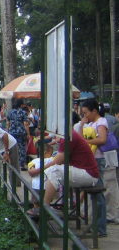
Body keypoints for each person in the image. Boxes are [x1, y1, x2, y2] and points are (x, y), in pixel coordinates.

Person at [27, 131, 105, 236]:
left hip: (89, 175)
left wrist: (41, 169)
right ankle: (43, 205)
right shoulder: (66, 136)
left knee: (54, 171)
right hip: (82, 171)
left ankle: (44, 208)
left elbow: (58, 160)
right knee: (52, 172)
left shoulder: (69, 136)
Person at [78, 99, 111, 234]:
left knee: (98, 196)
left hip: (97, 160)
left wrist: (87, 142)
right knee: (93, 196)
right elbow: (80, 139)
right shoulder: (90, 123)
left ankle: (100, 228)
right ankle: (95, 224)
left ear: (94, 111)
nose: (85, 116)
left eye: (86, 113)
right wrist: (81, 125)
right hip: (90, 161)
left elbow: (102, 139)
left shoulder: (101, 122)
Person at [27, 144, 54, 211]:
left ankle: (36, 212)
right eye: (51, 153)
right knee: (46, 202)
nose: (51, 154)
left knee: (36, 202)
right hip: (48, 187)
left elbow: (31, 172)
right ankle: (44, 213)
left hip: (36, 186)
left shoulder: (33, 161)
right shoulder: (52, 160)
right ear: (46, 152)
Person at [7, 99, 30, 170]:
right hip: (21, 132)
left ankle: (12, 163)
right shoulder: (23, 112)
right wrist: (28, 134)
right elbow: (26, 124)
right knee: (22, 148)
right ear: (21, 105)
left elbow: (8, 123)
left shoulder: (10, 112)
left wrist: (8, 131)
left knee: (12, 147)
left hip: (12, 132)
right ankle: (21, 165)